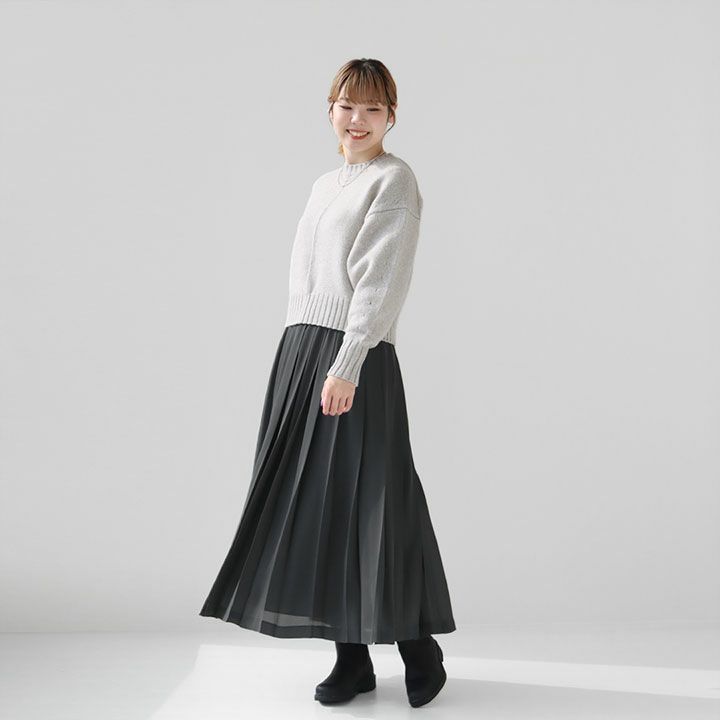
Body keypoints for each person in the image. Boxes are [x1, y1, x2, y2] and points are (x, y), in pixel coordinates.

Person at [199, 58, 456, 708]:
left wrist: (348, 361)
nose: (357, 119)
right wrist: (303, 357)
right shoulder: (323, 184)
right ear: (330, 110)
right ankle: (351, 658)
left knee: (378, 501)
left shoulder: (394, 180)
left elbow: (382, 280)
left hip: (353, 357)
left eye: (372, 108)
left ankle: (418, 646)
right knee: (321, 503)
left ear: (391, 117)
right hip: (301, 349)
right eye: (347, 105)